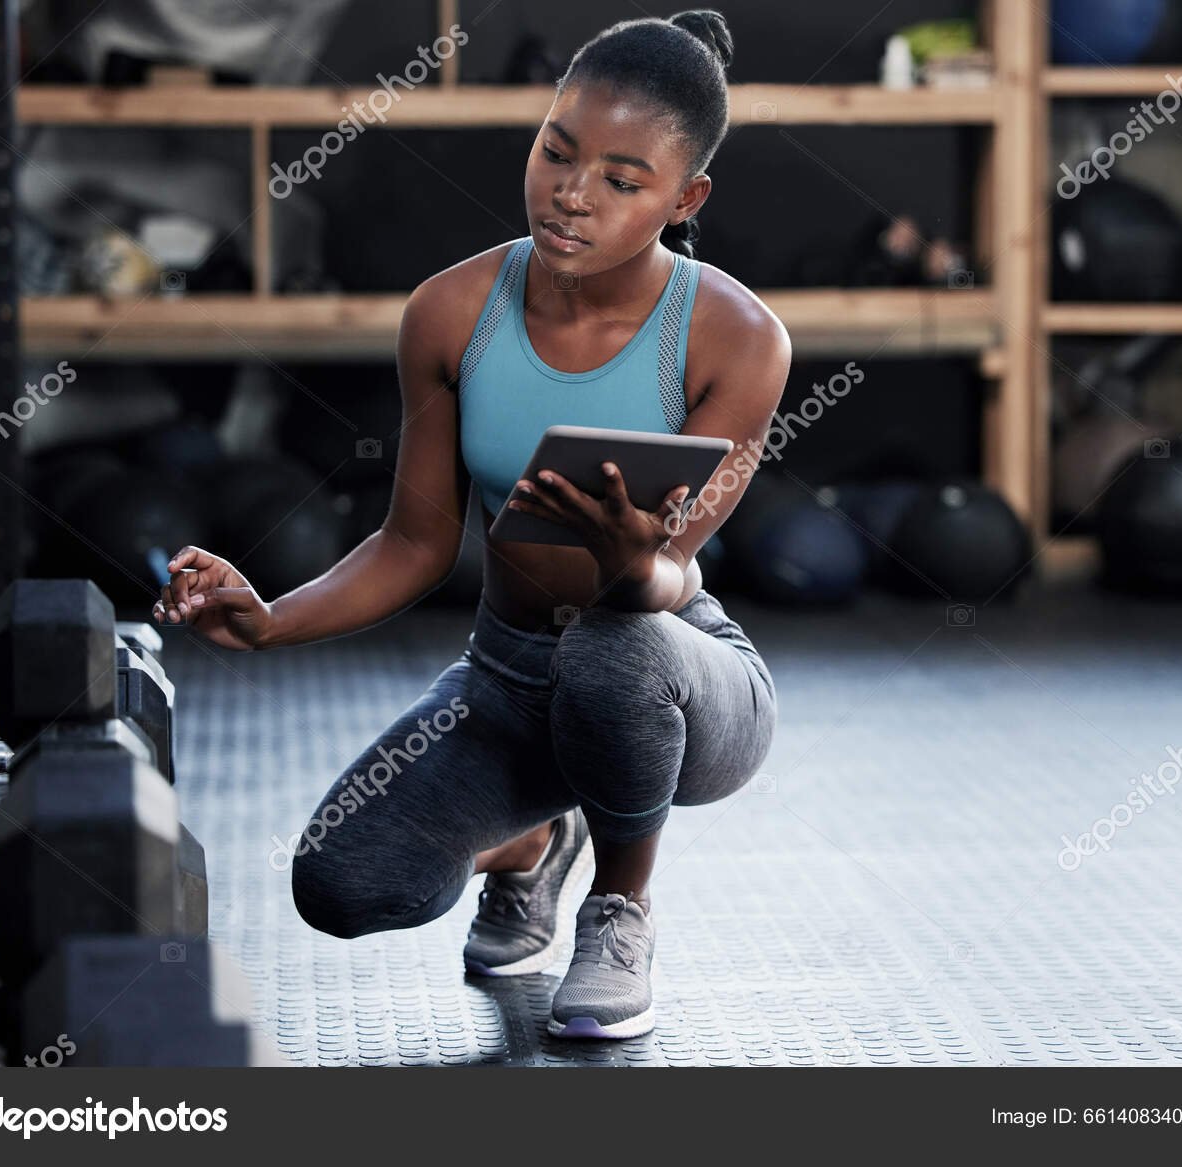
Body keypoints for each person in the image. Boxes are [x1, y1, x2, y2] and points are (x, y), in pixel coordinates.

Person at [152, 10, 790, 1041]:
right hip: (506, 678)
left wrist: (632, 568)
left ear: (686, 199)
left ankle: (618, 909)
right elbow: (414, 544)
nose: (572, 194)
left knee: (612, 650)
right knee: (344, 884)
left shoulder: (737, 338)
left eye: (623, 182)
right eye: (556, 151)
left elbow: (670, 574)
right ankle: (534, 838)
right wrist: (272, 620)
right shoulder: (451, 313)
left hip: (683, 679)